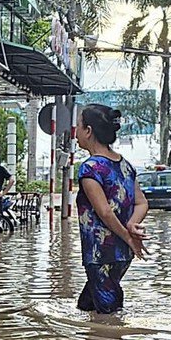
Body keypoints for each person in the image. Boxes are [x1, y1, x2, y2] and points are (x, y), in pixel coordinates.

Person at [73, 103, 147, 314]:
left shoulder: (90, 168)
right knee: (86, 307)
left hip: (100, 254)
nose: (75, 133)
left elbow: (105, 212)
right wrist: (132, 226)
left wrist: (128, 236)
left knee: (110, 315)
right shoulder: (125, 165)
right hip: (122, 254)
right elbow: (142, 203)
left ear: (88, 131)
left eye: (78, 126)